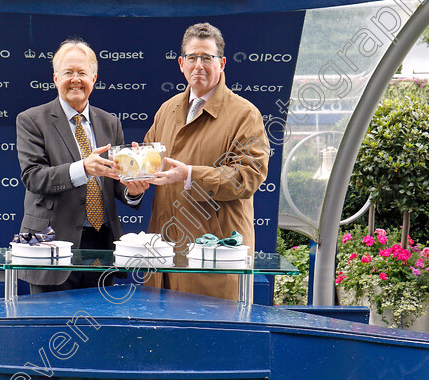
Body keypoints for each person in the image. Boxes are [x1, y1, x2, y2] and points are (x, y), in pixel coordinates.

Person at [143, 23, 270, 300]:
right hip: (164, 261)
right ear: (181, 64)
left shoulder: (245, 114)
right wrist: (135, 173)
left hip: (213, 260)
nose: (199, 65)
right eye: (192, 57)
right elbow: (149, 160)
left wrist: (189, 175)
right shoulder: (167, 109)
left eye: (207, 57)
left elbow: (248, 176)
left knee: (214, 341)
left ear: (221, 63)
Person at [15, 39, 148, 293]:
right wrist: (83, 169)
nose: (75, 79)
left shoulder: (110, 123)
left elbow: (115, 181)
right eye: (68, 73)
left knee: (98, 325)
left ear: (94, 78)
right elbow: (33, 177)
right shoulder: (31, 120)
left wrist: (133, 189)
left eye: (82, 73)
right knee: (50, 325)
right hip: (49, 243)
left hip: (102, 245)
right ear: (55, 78)